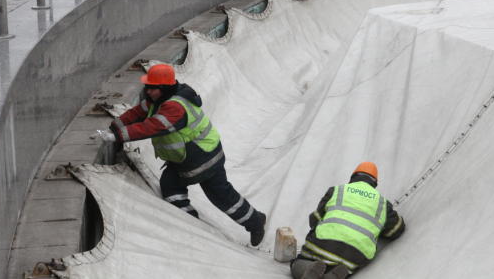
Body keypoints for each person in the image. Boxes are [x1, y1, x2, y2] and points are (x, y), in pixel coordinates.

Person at [103, 63, 267, 246]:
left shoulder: (175, 107)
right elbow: (137, 113)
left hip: (204, 159)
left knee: (221, 196)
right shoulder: (157, 99)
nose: (148, 92)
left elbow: (152, 127)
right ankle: (194, 227)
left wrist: (117, 136)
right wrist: (115, 126)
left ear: (163, 88)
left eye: (152, 88)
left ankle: (256, 222)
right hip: (185, 159)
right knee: (171, 187)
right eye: (147, 87)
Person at [290, 162, 405, 279]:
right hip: (352, 257)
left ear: (352, 178)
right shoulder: (383, 204)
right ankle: (332, 275)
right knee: (343, 266)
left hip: (321, 247)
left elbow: (314, 220)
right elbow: (396, 230)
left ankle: (308, 269)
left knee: (297, 263)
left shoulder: (336, 190)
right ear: (375, 183)